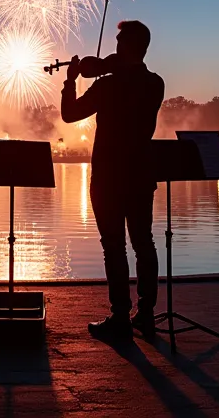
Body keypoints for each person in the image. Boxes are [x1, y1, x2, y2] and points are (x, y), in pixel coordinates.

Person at [60, 21, 165, 339]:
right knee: (144, 243)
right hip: (141, 174)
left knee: (114, 247)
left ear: (125, 46)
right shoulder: (155, 83)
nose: (115, 47)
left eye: (119, 42)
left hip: (107, 175)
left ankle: (120, 316)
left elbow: (70, 114)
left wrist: (70, 82)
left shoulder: (108, 85)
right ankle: (145, 314)